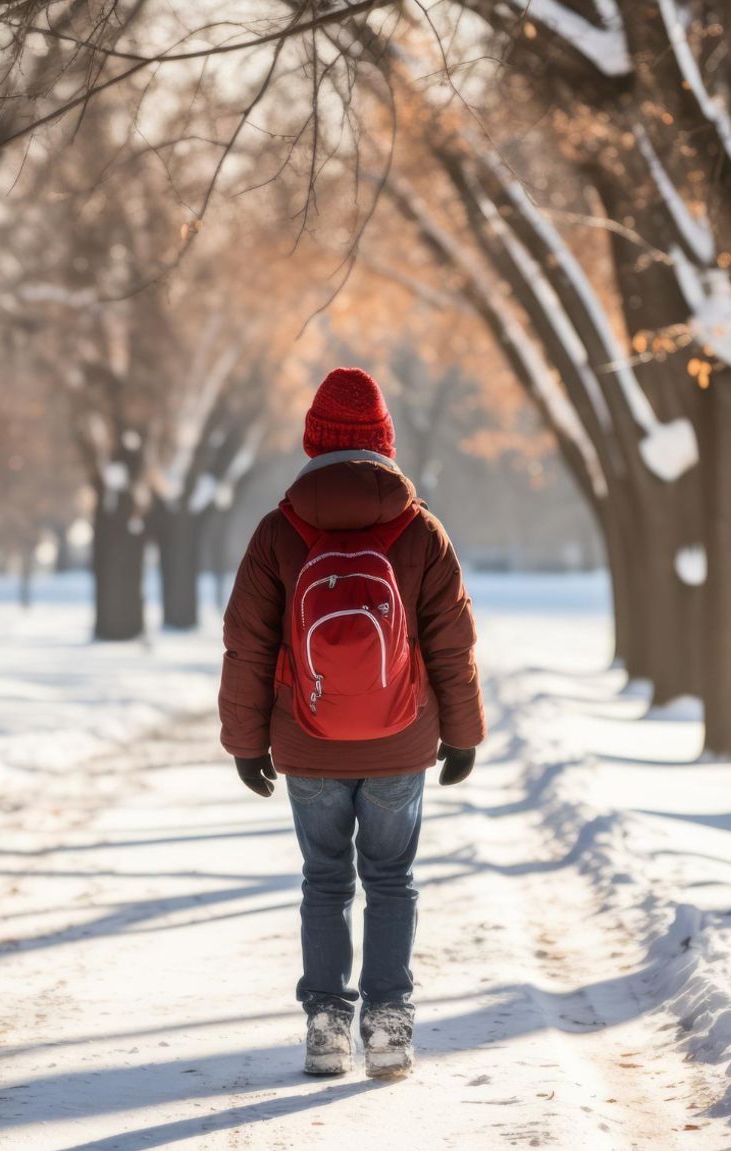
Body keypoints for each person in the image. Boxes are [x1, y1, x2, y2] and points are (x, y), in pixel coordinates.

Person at [218, 366, 485, 1079]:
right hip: (401, 737)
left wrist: (247, 742)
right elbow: (451, 641)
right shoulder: (420, 529)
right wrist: (461, 732)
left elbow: (247, 642)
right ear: (384, 440)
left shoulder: (280, 530)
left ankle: (327, 1025)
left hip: (307, 739)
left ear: (314, 440)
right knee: (392, 878)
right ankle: (390, 1024)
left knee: (325, 880)